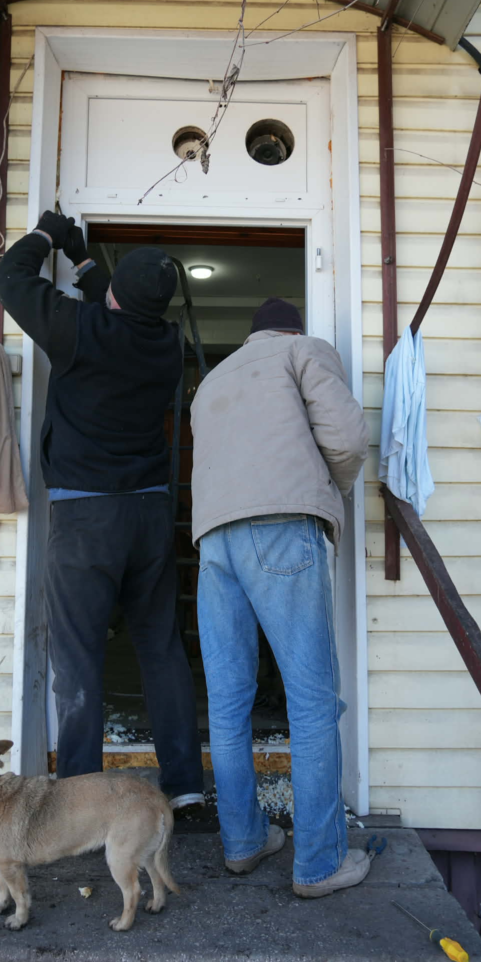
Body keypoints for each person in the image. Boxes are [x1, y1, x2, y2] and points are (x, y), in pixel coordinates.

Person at [0, 211, 204, 809]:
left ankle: (81, 797)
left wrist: (43, 234)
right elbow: (117, 308)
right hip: (149, 516)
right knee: (161, 649)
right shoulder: (167, 346)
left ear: (110, 300)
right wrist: (85, 263)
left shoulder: (80, 331)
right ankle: (185, 786)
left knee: (79, 657)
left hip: (87, 520)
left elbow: (11, 279)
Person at [190, 297, 370, 896]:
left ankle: (244, 842)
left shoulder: (211, 380)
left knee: (228, 699)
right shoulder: (303, 351)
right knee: (314, 702)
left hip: (214, 541)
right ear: (293, 327)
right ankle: (319, 863)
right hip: (281, 527)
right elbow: (346, 440)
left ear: (249, 334)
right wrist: (323, 491)